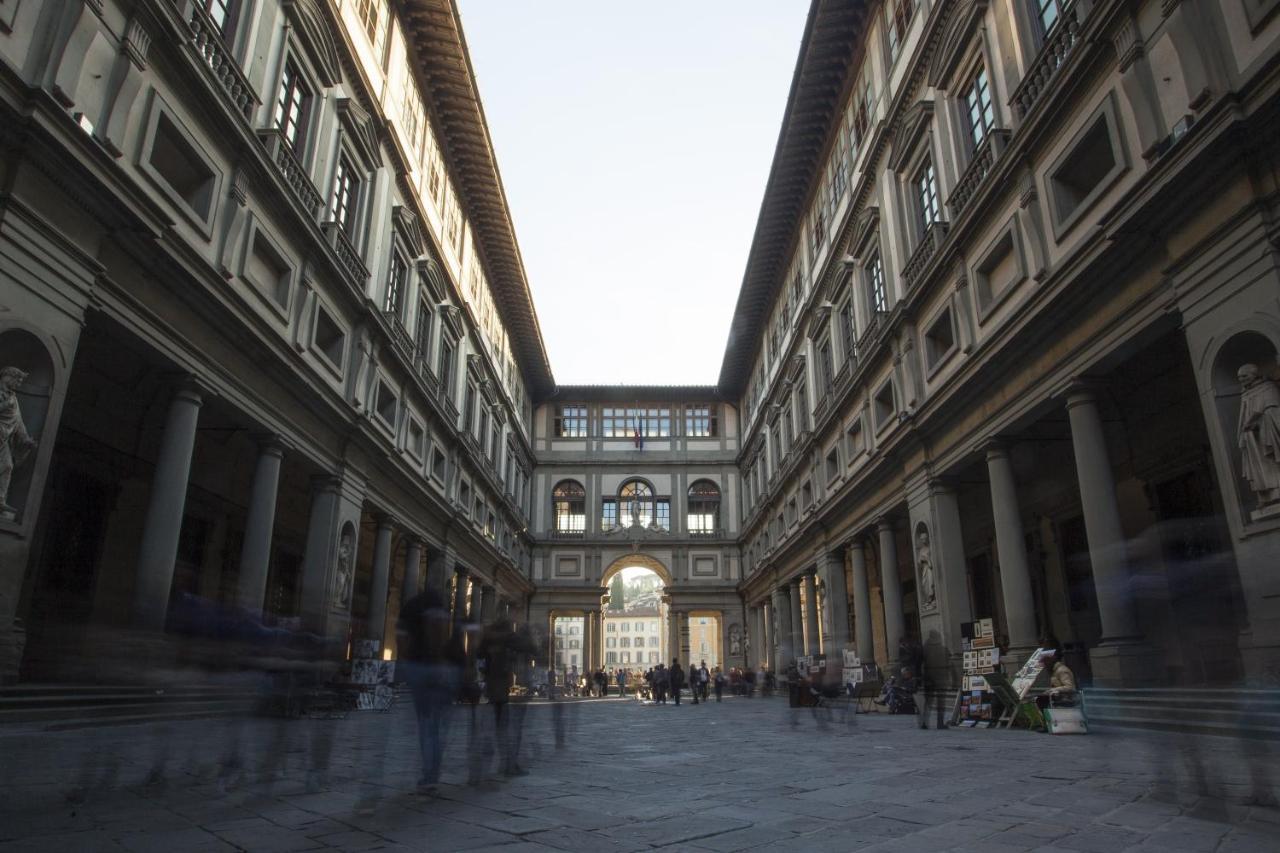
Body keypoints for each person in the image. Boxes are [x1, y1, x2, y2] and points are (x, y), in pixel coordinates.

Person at [397, 588, 464, 794]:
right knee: (437, 726)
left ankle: (429, 775)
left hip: (418, 666)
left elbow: (401, 640)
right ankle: (431, 773)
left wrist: (405, 664)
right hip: (438, 668)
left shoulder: (409, 608)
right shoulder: (439, 608)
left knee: (426, 724)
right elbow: (441, 636)